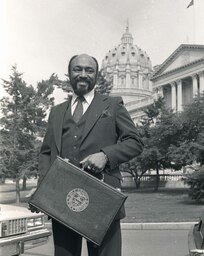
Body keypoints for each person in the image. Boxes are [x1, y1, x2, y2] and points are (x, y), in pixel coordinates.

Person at [32, 53, 143, 256]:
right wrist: (43, 190)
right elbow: (46, 153)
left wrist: (106, 156)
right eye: (77, 69)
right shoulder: (56, 111)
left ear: (96, 75)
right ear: (69, 74)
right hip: (62, 201)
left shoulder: (113, 104)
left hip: (103, 200)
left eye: (89, 70)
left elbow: (135, 142)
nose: (83, 75)